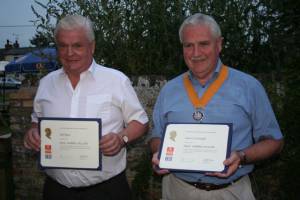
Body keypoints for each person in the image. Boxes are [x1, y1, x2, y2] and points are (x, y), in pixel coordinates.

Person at [149, 13, 284, 200]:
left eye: (203, 44)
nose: (196, 53)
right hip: (177, 190)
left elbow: (274, 142)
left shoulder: (249, 87)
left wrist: (242, 156)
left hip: (232, 191)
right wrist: (159, 151)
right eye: (189, 45)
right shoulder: (169, 90)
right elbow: (157, 135)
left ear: (219, 44)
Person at [24, 15, 149, 200]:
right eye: (63, 46)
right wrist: (32, 133)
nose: (69, 53)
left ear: (92, 46)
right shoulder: (46, 84)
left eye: (77, 45)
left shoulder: (116, 80)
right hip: (56, 190)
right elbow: (37, 121)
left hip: (107, 190)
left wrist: (121, 138)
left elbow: (141, 121)